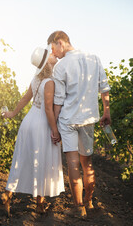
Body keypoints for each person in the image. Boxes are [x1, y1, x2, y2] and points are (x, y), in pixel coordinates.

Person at [47, 31, 111, 219]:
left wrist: (54, 127)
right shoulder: (94, 58)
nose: (54, 54)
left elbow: (58, 101)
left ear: (60, 43)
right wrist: (106, 112)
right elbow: (104, 88)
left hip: (68, 120)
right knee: (87, 163)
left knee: (73, 164)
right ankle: (89, 203)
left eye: (53, 49)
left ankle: (78, 208)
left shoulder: (61, 66)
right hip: (88, 119)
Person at [0, 45, 65, 217]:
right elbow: (49, 110)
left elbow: (24, 99)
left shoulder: (35, 79)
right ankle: (39, 205)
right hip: (41, 124)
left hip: (27, 122)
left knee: (20, 159)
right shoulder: (49, 82)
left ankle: (7, 194)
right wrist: (55, 131)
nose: (52, 55)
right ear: (47, 62)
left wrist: (12, 113)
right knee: (40, 162)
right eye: (49, 55)